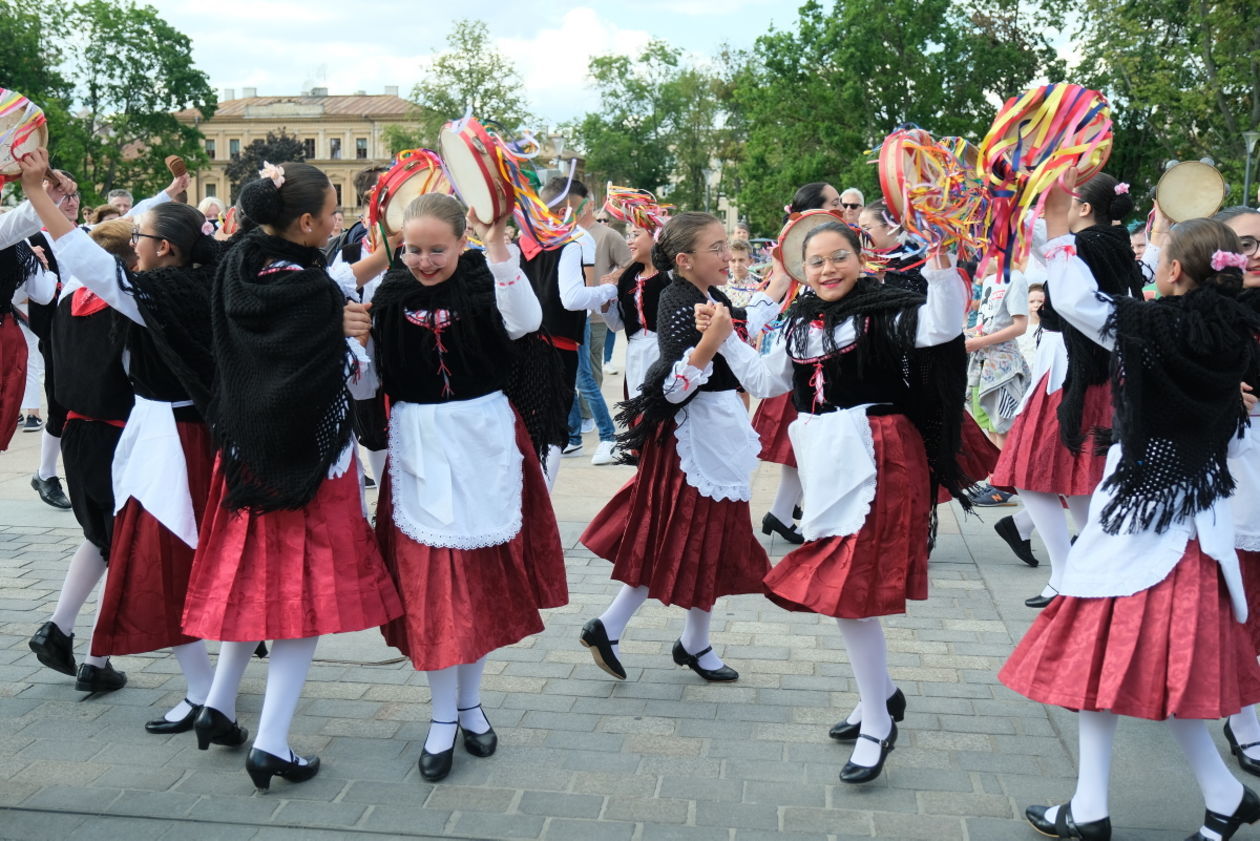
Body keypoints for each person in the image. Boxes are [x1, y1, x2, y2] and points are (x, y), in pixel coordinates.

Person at [1000, 170, 1260, 841]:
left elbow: (1083, 303)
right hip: (1192, 525)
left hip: (1144, 521)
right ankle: (1215, 793)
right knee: (1148, 672)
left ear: (1172, 270)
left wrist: (1056, 231)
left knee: (1098, 662)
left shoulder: (1150, 329)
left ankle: (1095, 807)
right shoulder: (1232, 331)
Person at [714, 219, 969, 784]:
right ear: (801, 271)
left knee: (850, 593)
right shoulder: (797, 320)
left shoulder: (888, 309)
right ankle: (881, 695)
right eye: (816, 262)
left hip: (882, 457)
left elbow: (942, 327)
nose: (827, 270)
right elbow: (771, 381)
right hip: (826, 458)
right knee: (850, 591)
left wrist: (943, 263)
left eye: (838, 258)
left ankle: (878, 719)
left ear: (861, 258)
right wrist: (726, 336)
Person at [181, 161, 403, 792]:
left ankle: (219, 705)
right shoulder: (308, 293)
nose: (337, 224)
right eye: (333, 214)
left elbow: (330, 281)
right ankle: (272, 742)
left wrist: (381, 248)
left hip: (248, 455)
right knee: (298, 603)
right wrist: (348, 331)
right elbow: (335, 333)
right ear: (305, 224)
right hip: (305, 462)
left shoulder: (245, 264)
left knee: (254, 585)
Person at [21, 148, 226, 732]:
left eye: (142, 234)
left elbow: (87, 258)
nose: (132, 237)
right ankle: (209, 690)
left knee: (159, 562)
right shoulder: (199, 281)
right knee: (163, 559)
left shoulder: (158, 296)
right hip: (170, 436)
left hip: (171, 442)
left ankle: (206, 690)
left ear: (164, 249)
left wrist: (38, 193)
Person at [371, 192, 567, 782]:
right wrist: (352, 343)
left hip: (483, 440)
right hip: (418, 447)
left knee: (476, 583)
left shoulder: (488, 279)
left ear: (462, 242)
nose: (424, 261)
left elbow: (527, 322)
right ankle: (441, 719)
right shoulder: (389, 294)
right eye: (412, 249)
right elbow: (369, 381)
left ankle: (469, 704)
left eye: (437, 249)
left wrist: (500, 239)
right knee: (434, 591)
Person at [578, 212, 772, 683]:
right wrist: (712, 342)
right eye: (717, 248)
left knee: (703, 539)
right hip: (693, 438)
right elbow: (672, 386)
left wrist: (778, 285)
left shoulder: (710, 295)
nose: (728, 255)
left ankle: (688, 641)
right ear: (685, 260)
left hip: (714, 437)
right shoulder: (677, 299)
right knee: (681, 536)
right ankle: (627, 627)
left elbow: (744, 326)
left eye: (728, 245)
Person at [990, 172, 1146, 608]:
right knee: (1062, 477)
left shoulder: (1088, 245)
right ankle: (1076, 571)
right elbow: (1029, 230)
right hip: (1077, 365)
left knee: (1041, 472)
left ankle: (1069, 571)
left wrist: (1018, 185)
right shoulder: (1100, 243)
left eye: (1065, 197)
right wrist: (1014, 181)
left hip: (1076, 368)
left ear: (1082, 208)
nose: (1053, 203)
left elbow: (1042, 244)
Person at [752, 182, 845, 545]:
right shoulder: (797, 261)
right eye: (836, 204)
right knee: (809, 448)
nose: (843, 210)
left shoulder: (805, 254)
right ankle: (803, 519)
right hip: (802, 367)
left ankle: (782, 512)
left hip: (805, 366)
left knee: (802, 450)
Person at [521, 179, 613, 485]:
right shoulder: (570, 242)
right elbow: (572, 298)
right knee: (552, 427)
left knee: (528, 423)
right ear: (565, 210)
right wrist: (606, 291)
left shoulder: (521, 243)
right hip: (558, 345)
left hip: (523, 345)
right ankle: (541, 502)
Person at [1215, 206, 1260, 779]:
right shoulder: (1199, 316)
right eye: (1246, 244)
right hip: (1234, 471)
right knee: (1242, 601)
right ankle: (1246, 720)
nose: (1257, 254)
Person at [599, 192, 671, 398]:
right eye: (628, 235)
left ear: (655, 236)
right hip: (636, 356)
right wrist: (605, 304)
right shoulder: (628, 278)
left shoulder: (670, 276)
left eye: (635, 234)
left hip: (666, 353)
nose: (629, 241)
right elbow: (617, 324)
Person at [721, 239, 761, 308]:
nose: (737, 265)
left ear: (751, 261)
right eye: (733, 260)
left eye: (741, 260)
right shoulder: (721, 287)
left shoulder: (758, 289)